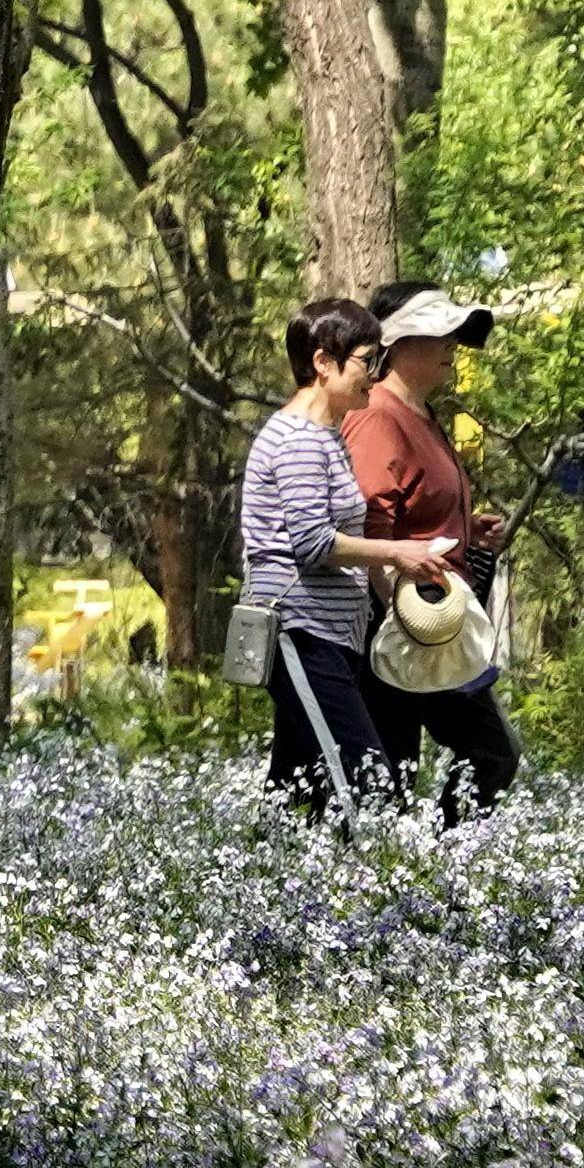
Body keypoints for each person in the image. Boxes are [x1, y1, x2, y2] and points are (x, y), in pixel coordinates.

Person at [239, 296, 457, 814]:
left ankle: (263, 886)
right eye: (367, 361)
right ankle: (381, 889)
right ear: (322, 362)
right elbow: (313, 543)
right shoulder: (297, 441)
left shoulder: (327, 438)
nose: (375, 375)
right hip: (300, 633)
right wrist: (399, 553)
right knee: (365, 782)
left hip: (330, 635)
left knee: (298, 793)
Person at [352, 284, 520, 817]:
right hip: (409, 620)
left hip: (433, 615)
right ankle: (433, 881)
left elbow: (412, 510)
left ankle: (426, 883)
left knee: (395, 773)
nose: (452, 344)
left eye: (453, 333)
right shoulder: (379, 416)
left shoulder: (419, 414)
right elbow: (374, 527)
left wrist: (467, 530)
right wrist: (401, 618)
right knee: (485, 753)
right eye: (438, 332)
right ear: (397, 343)